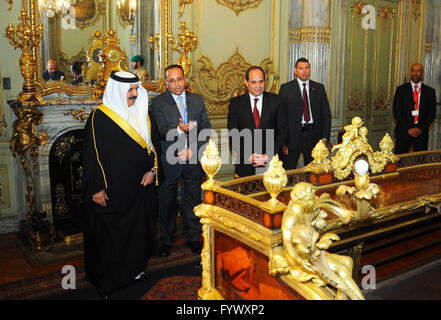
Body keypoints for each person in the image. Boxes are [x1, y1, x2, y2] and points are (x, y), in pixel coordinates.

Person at [82, 71, 159, 299]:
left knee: (138, 233)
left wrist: (152, 170)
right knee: (111, 238)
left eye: (137, 89)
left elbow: (154, 147)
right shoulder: (99, 118)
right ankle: (108, 281)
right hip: (112, 191)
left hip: (140, 189)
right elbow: (91, 155)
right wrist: (96, 187)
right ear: (118, 91)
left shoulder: (143, 113)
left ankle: (135, 271)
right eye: (130, 90)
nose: (135, 94)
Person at [149, 64, 211, 257]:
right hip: (170, 161)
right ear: (166, 83)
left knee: (192, 199)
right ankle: (167, 239)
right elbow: (161, 131)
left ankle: (193, 237)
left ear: (185, 79)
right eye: (172, 80)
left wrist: (192, 150)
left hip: (192, 159)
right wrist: (178, 130)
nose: (176, 84)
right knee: (166, 202)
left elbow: (205, 129)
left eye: (179, 79)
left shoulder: (197, 100)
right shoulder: (158, 103)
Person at [227, 66, 283, 177]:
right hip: (245, 164)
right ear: (246, 82)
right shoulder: (235, 104)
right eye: (254, 82)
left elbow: (282, 132)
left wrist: (268, 155)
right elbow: (233, 134)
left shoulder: (276, 101)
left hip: (271, 164)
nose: (258, 86)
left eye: (261, 82)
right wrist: (248, 155)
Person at [278, 57, 332, 170]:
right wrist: (283, 142)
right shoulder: (286, 88)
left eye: (307, 68)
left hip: (314, 136)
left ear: (310, 69)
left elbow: (326, 114)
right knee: (289, 171)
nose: (304, 71)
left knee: (314, 171)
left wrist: (325, 138)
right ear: (295, 71)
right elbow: (281, 117)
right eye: (301, 68)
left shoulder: (319, 88)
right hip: (293, 137)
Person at [392, 63, 436, 154]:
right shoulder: (401, 90)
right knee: (400, 161)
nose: (415, 73)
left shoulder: (430, 91)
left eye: (418, 71)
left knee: (420, 162)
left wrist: (420, 129)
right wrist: (408, 128)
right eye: (413, 71)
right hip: (403, 131)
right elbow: (396, 111)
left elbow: (431, 114)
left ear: (422, 73)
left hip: (421, 133)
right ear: (410, 72)